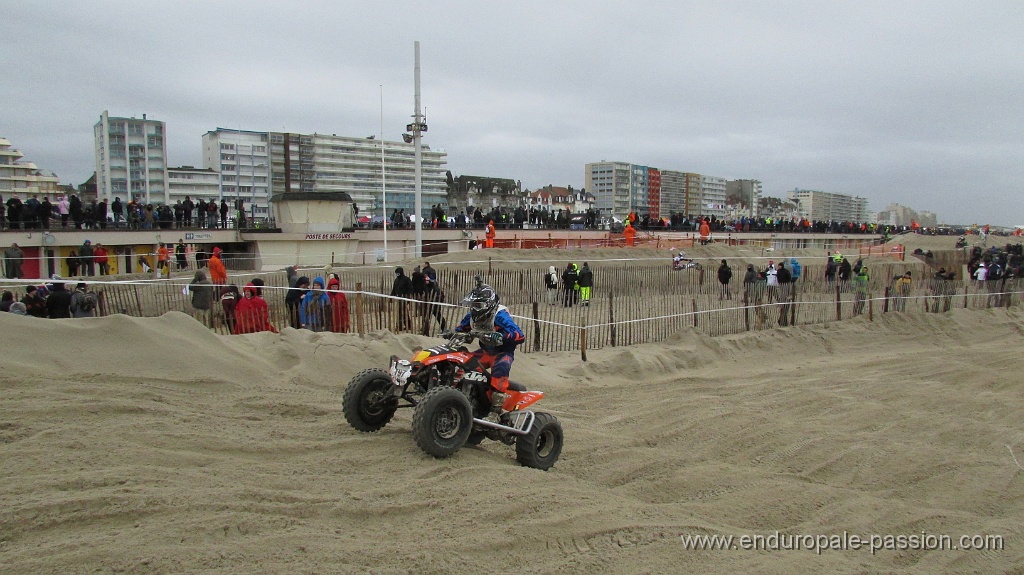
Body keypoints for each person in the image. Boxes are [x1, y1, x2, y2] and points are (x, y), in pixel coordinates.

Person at [443, 277, 526, 413]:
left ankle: (495, 411)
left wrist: (501, 336)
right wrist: (452, 333)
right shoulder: (471, 316)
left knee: (500, 370)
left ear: (488, 304)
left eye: (478, 305)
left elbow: (519, 335)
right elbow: (461, 329)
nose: (475, 309)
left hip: (502, 353)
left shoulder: (500, 316)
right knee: (461, 361)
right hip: (485, 351)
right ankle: (454, 396)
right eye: (473, 305)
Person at [390, 267, 413, 331]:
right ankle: (407, 325)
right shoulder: (396, 280)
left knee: (402, 312)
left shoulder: (406, 279)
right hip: (398, 298)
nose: (397, 274)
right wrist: (391, 296)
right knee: (403, 312)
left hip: (405, 298)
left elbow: (410, 289)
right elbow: (394, 289)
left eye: (398, 273)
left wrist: (408, 298)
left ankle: (401, 326)